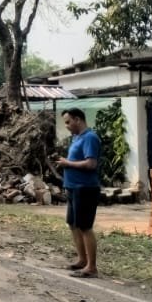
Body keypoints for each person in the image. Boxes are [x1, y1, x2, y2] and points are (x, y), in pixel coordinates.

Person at [56, 107, 103, 277]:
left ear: (78, 119)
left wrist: (67, 163)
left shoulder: (90, 138)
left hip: (85, 188)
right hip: (73, 187)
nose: (67, 126)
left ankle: (92, 267)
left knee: (85, 227)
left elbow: (91, 164)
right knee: (73, 224)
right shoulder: (77, 138)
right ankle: (82, 260)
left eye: (68, 122)